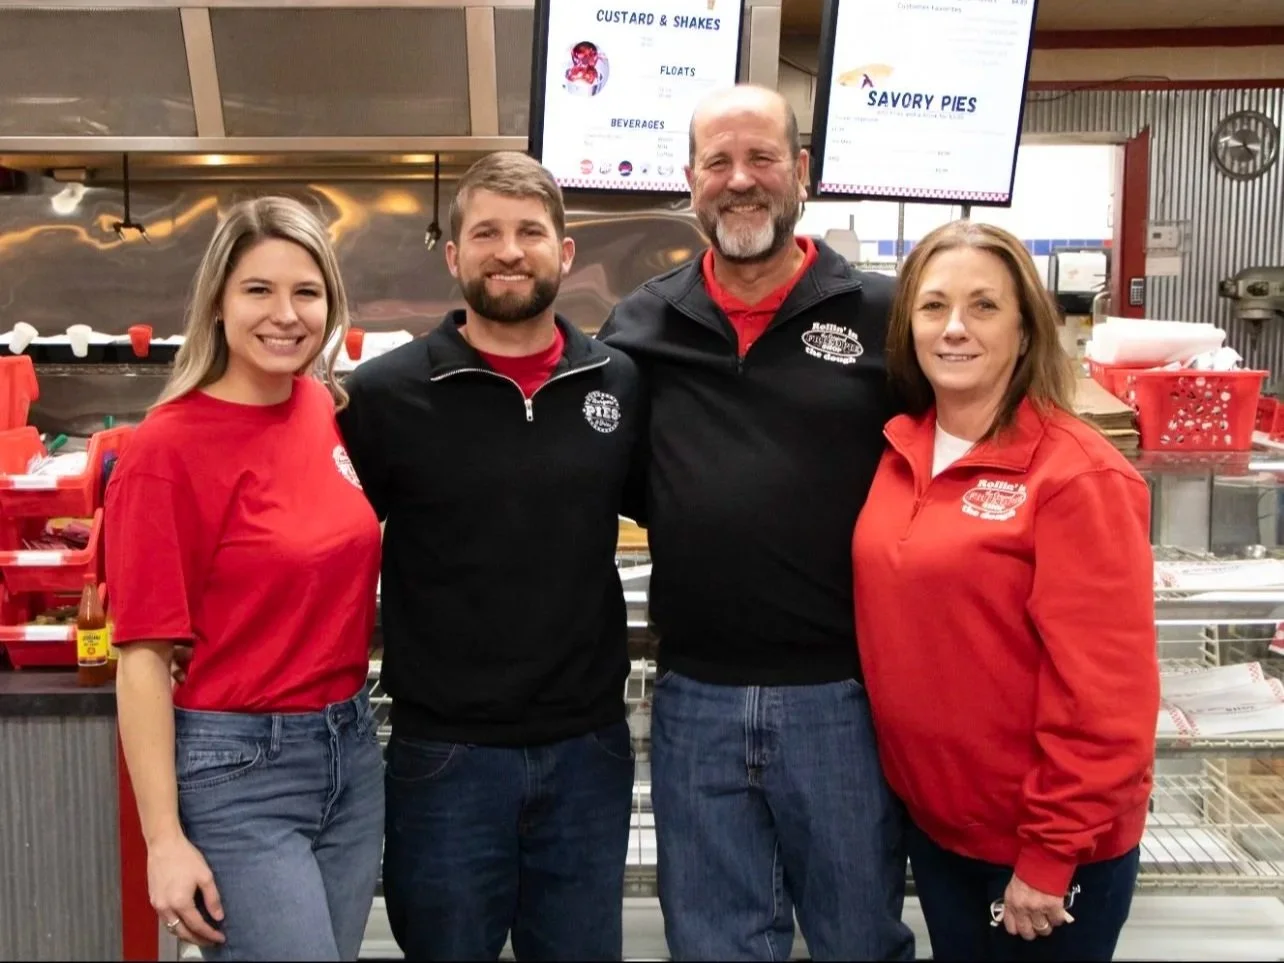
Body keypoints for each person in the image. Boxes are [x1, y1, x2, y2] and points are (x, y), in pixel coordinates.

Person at [598, 84, 915, 962]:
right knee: (711, 943)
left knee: (858, 937)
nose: (741, 180)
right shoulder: (641, 322)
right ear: (690, 181)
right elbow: (603, 466)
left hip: (844, 697)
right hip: (694, 694)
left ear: (800, 172)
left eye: (762, 158)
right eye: (719, 163)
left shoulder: (884, 316)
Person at [336, 151, 641, 962]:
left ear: (564, 253)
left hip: (590, 748)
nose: (510, 250)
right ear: (454, 254)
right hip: (445, 757)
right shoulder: (387, 393)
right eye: (488, 232)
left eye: (531, 232)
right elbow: (324, 537)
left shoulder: (618, 381)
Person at [852, 219, 1159, 961]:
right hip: (940, 830)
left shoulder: (1074, 476)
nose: (954, 328)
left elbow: (1107, 696)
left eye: (984, 306)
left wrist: (1050, 853)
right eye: (933, 306)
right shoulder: (900, 451)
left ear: (1026, 331)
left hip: (1041, 852)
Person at [105, 196, 385, 960]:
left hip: (352, 753)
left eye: (307, 292)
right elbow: (141, 659)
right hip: (239, 771)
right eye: (258, 289)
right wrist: (164, 840)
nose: (286, 314)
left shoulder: (320, 408)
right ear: (218, 303)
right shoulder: (165, 450)